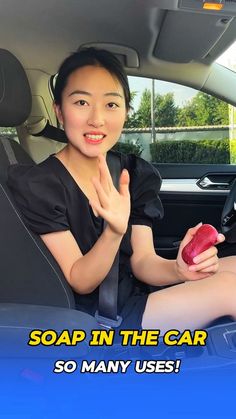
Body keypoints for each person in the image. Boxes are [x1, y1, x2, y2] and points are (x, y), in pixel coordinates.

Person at [7, 47, 236, 335]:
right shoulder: (41, 185)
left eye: (111, 105)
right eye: (81, 102)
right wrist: (113, 232)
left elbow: (142, 262)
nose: (97, 119)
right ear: (59, 112)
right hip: (99, 318)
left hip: (136, 292)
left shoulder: (132, 173)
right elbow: (80, 280)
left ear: (126, 112)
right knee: (229, 290)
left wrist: (178, 270)